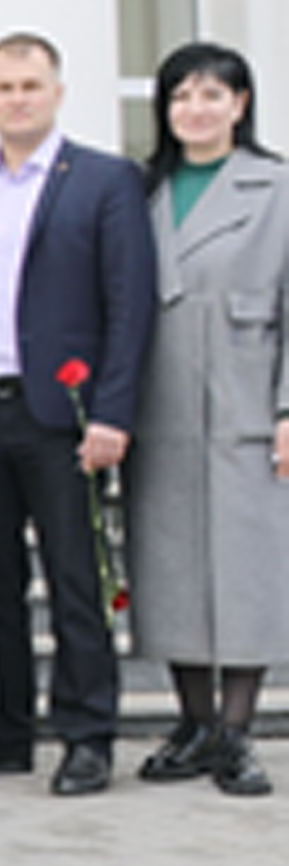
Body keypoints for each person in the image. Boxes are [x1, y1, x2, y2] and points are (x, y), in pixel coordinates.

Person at [0, 33, 157, 795]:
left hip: (63, 414)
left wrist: (112, 411)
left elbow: (130, 305)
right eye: (3, 87)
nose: (17, 98)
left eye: (30, 84)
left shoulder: (102, 179)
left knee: (72, 578)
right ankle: (2, 727)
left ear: (57, 91)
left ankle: (86, 732)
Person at [126, 44, 289, 798]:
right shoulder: (141, 191)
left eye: (210, 95)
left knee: (245, 571)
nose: (194, 109)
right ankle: (190, 723)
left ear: (240, 103)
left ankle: (235, 731)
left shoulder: (275, 188)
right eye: (180, 96)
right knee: (170, 568)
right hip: (159, 410)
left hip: (245, 405)